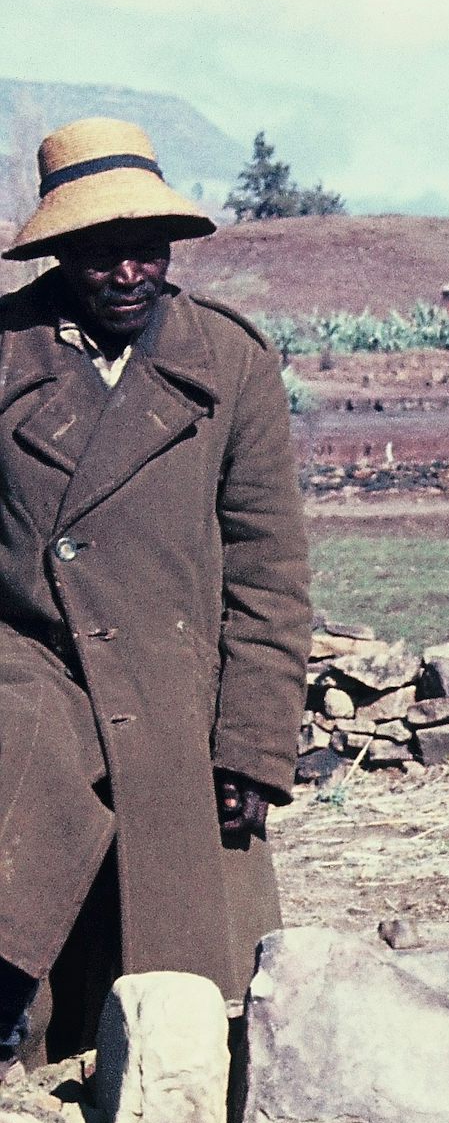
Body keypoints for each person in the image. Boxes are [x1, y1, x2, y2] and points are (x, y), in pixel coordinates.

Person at [0, 117, 309, 1060]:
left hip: (180, 717)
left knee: (184, 1030)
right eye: (103, 255)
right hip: (31, 695)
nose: (130, 274)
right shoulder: (5, 355)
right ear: (60, 253)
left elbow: (267, 568)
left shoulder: (229, 362)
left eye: (149, 249)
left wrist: (252, 746)